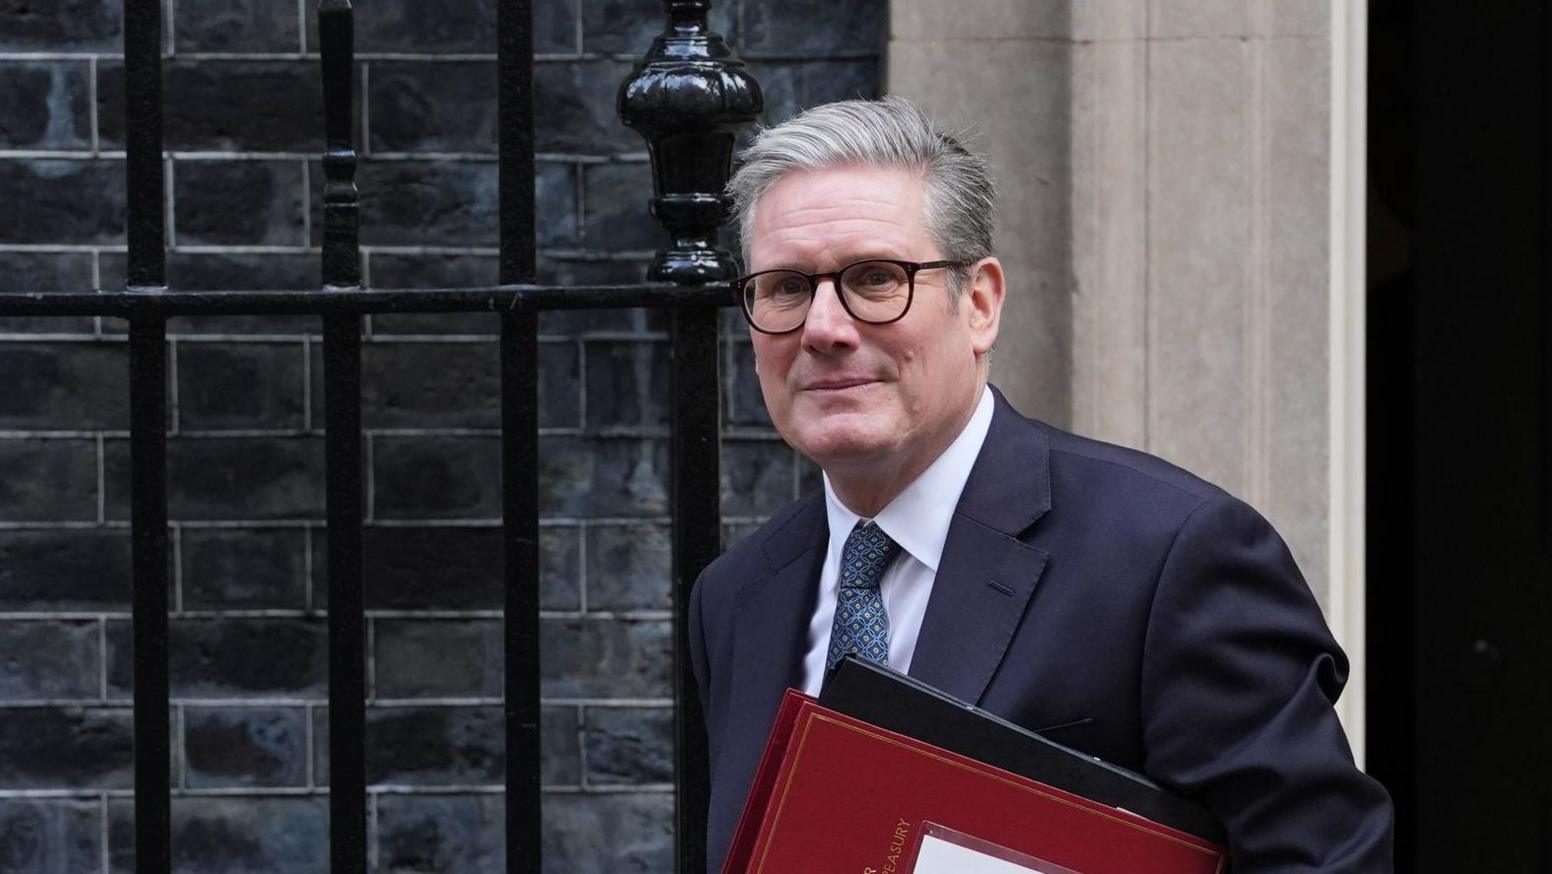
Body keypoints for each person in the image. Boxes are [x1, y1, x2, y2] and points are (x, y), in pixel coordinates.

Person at [689, 96, 1393, 872]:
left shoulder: (1169, 557)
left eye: (875, 277)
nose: (823, 327)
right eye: (786, 287)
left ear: (981, 303)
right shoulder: (735, 598)